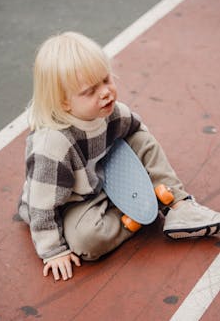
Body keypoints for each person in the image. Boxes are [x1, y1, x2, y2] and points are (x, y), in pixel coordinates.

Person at [18, 31, 220, 282]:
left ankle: (178, 204)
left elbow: (139, 137)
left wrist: (152, 171)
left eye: (105, 79)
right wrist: (52, 250)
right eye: (90, 90)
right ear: (64, 103)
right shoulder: (52, 147)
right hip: (74, 200)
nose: (105, 93)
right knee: (86, 242)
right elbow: (42, 206)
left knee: (140, 137)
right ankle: (132, 219)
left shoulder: (112, 113)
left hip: (104, 172)